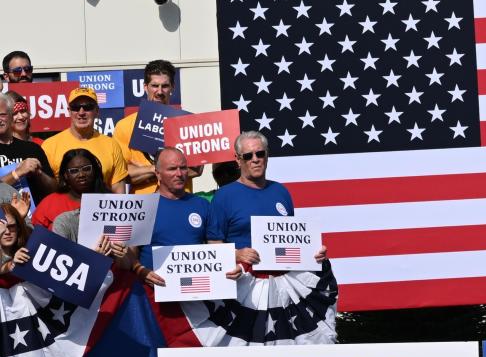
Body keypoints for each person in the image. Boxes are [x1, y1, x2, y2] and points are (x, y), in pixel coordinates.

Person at [208, 131, 326, 266]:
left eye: (260, 153)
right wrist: (236, 254)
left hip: (283, 277)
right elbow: (214, 242)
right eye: (248, 156)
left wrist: (312, 252)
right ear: (238, 159)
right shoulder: (223, 196)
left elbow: (292, 238)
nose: (255, 159)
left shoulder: (281, 191)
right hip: (245, 279)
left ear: (267, 155)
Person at [132, 147, 227, 287]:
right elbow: (130, 251)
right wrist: (140, 270)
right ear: (158, 174)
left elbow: (216, 246)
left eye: (183, 168)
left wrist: (232, 260)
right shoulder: (142, 207)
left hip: (194, 291)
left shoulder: (202, 204)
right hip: (152, 294)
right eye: (172, 169)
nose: (179, 174)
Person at [112, 60, 200, 194]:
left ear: (173, 87)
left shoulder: (186, 123)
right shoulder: (124, 126)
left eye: (165, 86)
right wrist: (159, 169)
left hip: (180, 202)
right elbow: (123, 175)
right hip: (142, 206)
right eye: (154, 85)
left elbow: (196, 169)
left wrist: (143, 170)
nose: (159, 91)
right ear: (145, 87)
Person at [41, 87, 128, 193]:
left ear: (97, 111)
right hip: (64, 208)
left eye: (87, 107)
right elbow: (45, 190)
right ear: (69, 111)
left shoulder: (111, 145)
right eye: (76, 107)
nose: (81, 112)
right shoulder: (49, 145)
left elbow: (118, 190)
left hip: (99, 208)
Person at [33, 149, 111, 229]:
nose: (81, 174)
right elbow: (35, 236)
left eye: (86, 169)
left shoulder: (111, 202)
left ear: (94, 170)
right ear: (66, 175)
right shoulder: (49, 203)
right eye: (74, 171)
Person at [0, 91, 56, 204]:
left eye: (2, 115)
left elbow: (54, 191)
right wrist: (17, 173)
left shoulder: (33, 149)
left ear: (10, 116)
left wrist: (39, 173)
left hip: (33, 219)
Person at [0, 202, 31, 275]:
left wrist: (20, 219)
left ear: (18, 228)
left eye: (11, 226)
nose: (7, 232)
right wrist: (12, 264)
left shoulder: (29, 243)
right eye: (1, 228)